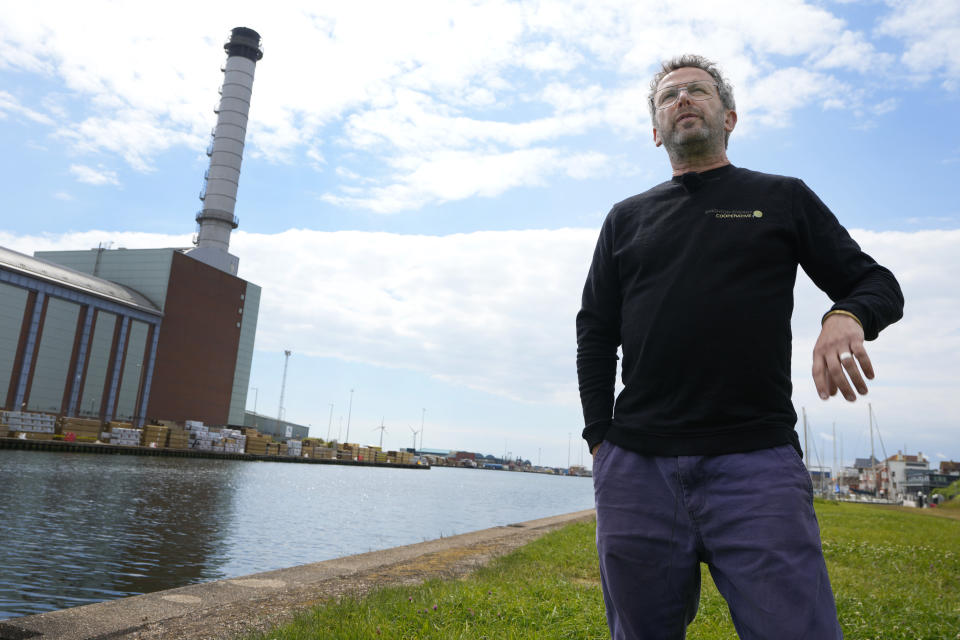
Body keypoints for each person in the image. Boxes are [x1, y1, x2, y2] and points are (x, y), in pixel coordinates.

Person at [576, 54, 904, 640]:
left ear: (729, 116)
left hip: (756, 464)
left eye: (698, 90)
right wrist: (601, 439)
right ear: (656, 132)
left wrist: (846, 313)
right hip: (637, 468)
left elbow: (876, 282)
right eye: (668, 96)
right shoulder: (624, 219)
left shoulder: (781, 198)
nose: (683, 99)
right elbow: (594, 331)